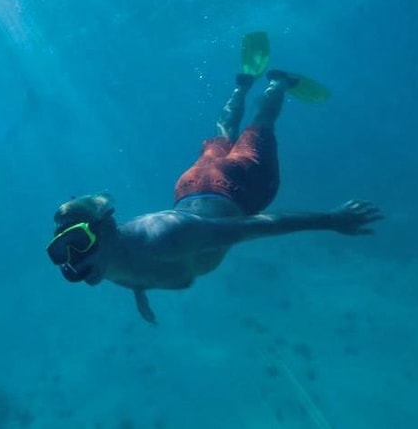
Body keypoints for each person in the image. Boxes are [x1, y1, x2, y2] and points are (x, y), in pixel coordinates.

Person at [46, 31, 383, 324]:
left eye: (76, 241)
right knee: (223, 131)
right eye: (62, 250)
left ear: (105, 228)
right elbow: (128, 263)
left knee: (262, 123)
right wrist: (140, 292)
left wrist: (332, 219)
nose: (72, 257)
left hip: (242, 186)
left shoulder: (166, 238)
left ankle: (280, 81)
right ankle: (243, 84)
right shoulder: (104, 260)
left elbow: (258, 226)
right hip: (191, 186)